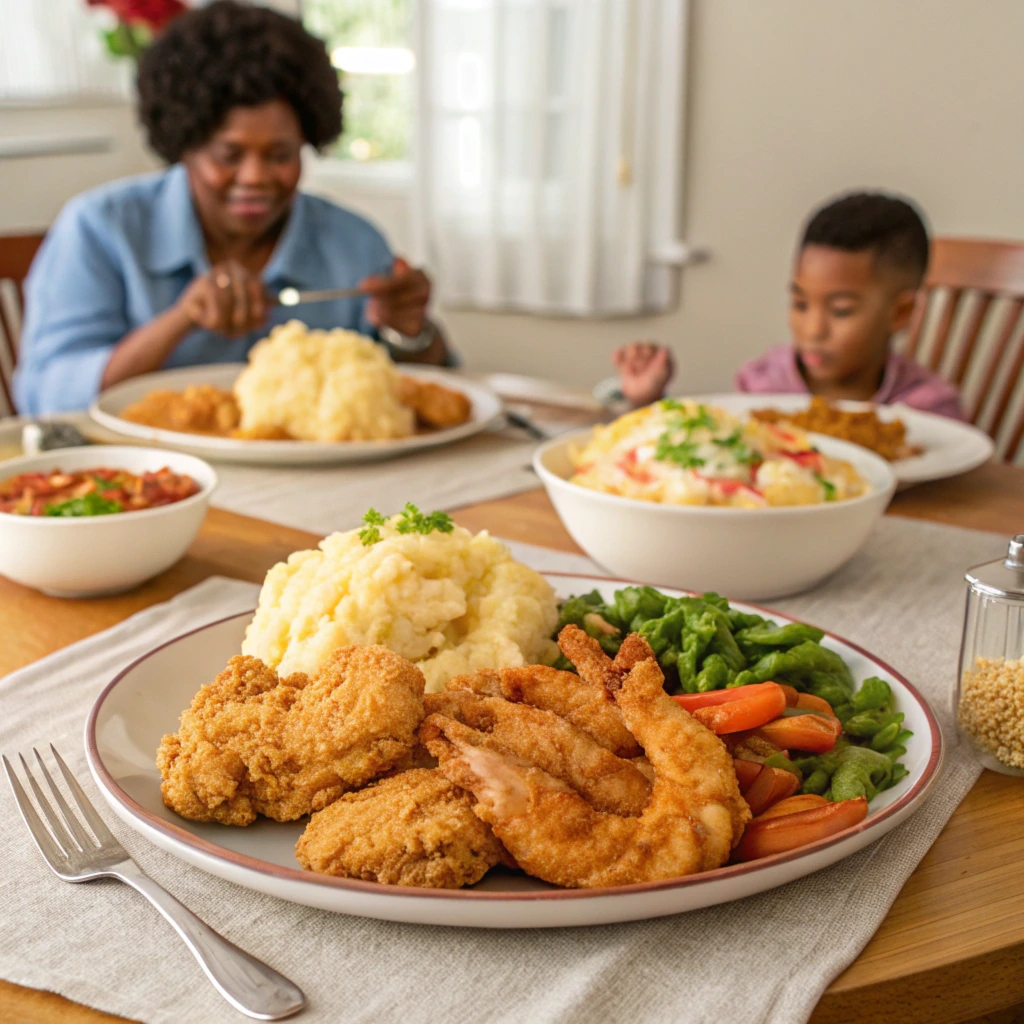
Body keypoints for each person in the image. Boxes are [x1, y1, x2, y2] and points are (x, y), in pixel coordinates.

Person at [14, 0, 447, 416]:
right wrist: (183, 318)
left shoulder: (353, 241)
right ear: (184, 145)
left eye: (280, 155)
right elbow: (47, 399)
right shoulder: (100, 229)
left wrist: (408, 331)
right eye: (228, 155)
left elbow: (425, 394)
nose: (255, 177)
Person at [611, 192, 965, 420]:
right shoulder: (762, 384)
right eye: (800, 303)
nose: (813, 331)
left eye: (840, 311)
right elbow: (709, 449)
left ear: (900, 313)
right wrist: (650, 401)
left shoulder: (927, 410)